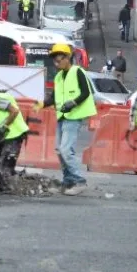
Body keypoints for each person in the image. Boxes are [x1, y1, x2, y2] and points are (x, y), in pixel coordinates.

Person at [43, 43, 97, 195]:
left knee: (66, 150)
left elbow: (86, 92)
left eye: (58, 60)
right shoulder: (59, 76)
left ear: (67, 58)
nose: (56, 63)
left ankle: (79, 181)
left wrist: (73, 103)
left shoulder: (77, 71)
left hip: (74, 116)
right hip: (62, 115)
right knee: (59, 150)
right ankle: (68, 181)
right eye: (54, 60)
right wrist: (40, 104)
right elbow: (54, 97)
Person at [0, 70, 30, 192]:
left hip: (13, 134)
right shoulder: (0, 96)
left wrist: (3, 127)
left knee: (4, 165)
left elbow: (14, 111)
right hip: (9, 134)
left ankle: (9, 188)